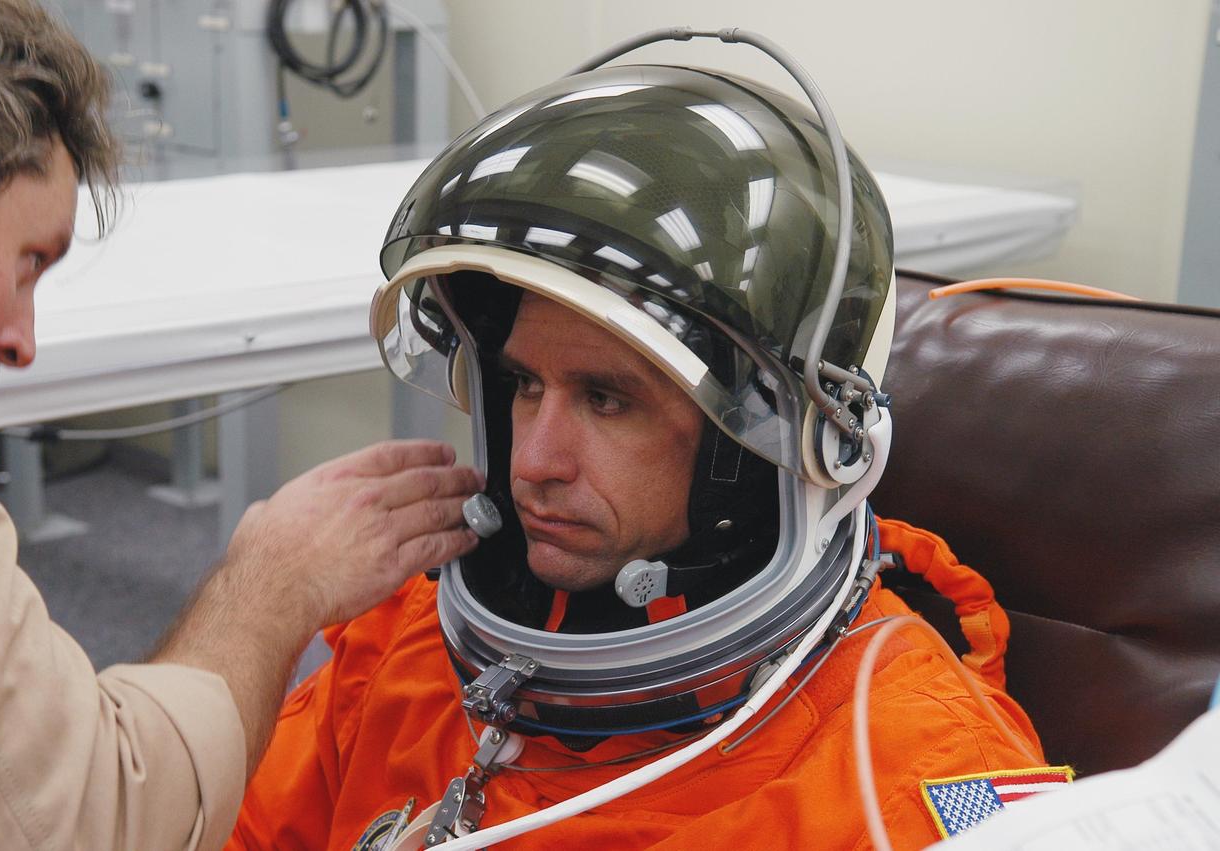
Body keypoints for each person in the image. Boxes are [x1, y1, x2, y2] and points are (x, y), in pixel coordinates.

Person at [228, 57, 1070, 850]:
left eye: (606, 398)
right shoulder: (406, 645)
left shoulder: (905, 770)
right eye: (523, 384)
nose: (534, 463)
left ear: (754, 448)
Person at [0, 1, 482, 848]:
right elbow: (91, 821)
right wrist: (275, 579)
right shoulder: (382, 664)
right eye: (28, 263)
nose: (22, 343)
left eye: (603, 398)